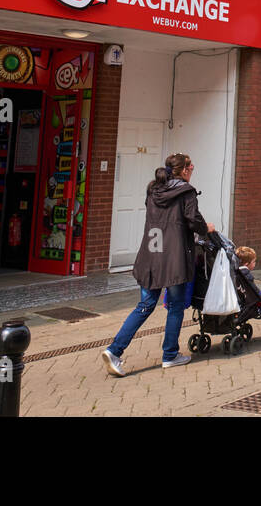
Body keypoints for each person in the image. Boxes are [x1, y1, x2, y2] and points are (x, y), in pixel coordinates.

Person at [102, 154, 214, 375]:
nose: (193, 168)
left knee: (145, 306)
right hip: (174, 259)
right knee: (175, 306)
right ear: (183, 171)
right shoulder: (186, 191)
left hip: (151, 256)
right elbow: (193, 219)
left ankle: (114, 351)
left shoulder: (153, 190)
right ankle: (170, 355)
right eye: (190, 166)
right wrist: (206, 229)